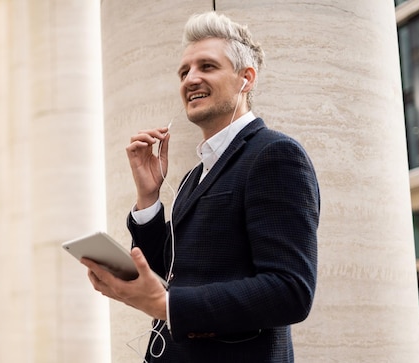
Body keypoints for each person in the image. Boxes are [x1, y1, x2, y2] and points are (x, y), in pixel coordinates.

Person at [81, 11, 320, 362]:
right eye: (184, 71)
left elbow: (290, 292)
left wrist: (168, 306)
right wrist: (148, 197)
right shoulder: (195, 175)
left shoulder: (275, 154)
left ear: (246, 79)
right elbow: (170, 272)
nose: (190, 79)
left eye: (207, 67)